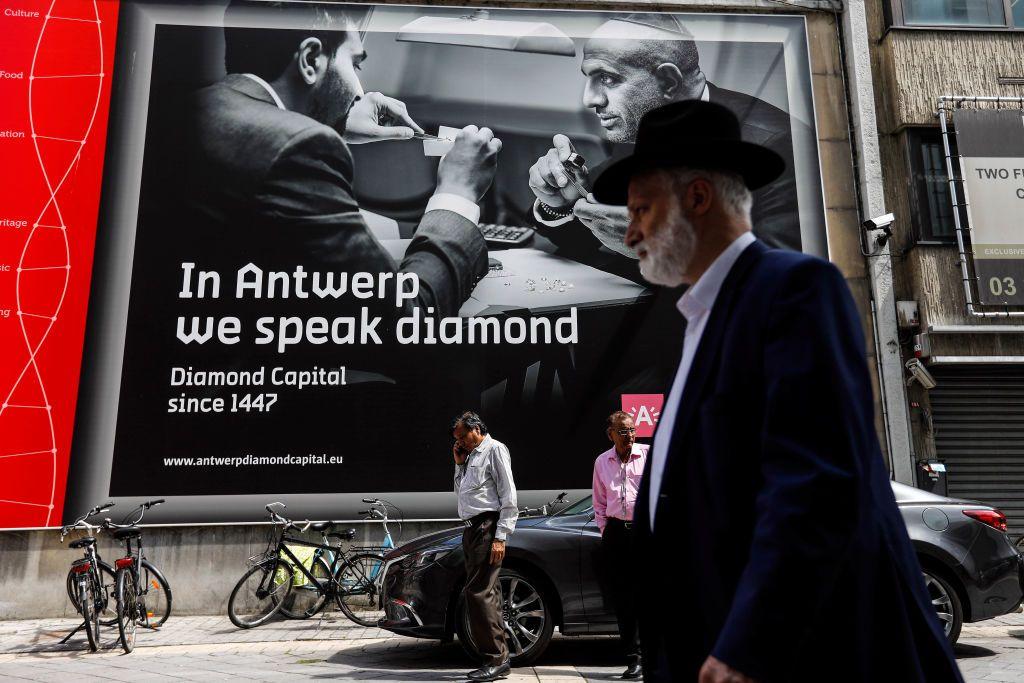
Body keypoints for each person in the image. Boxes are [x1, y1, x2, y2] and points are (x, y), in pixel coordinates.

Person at [591, 100, 964, 682]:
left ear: (696, 197)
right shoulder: (701, 321)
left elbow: (817, 484)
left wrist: (750, 643)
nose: (630, 230)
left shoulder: (793, 291)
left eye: (641, 209)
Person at [528, 13, 799, 281]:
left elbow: (780, 284)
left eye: (607, 78)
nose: (590, 99)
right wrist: (562, 203)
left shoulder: (777, 145)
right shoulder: (641, 126)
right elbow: (584, 238)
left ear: (668, 81)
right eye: (589, 78)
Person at [452, 411, 519, 682]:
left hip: (487, 528)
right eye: (456, 439)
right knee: (487, 594)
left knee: (478, 593)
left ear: (476, 429)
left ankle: (495, 659)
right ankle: (497, 656)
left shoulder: (495, 449)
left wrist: (501, 536)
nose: (460, 442)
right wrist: (458, 464)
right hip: (471, 530)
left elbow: (508, 494)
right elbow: (461, 494)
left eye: (463, 436)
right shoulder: (468, 458)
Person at [591, 411, 647, 680]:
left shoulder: (648, 455)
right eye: (623, 431)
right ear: (610, 434)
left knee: (649, 594)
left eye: (632, 430)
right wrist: (606, 531)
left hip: (643, 533)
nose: (629, 436)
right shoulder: (602, 461)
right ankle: (634, 658)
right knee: (624, 599)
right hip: (616, 533)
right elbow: (599, 502)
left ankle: (655, 653)